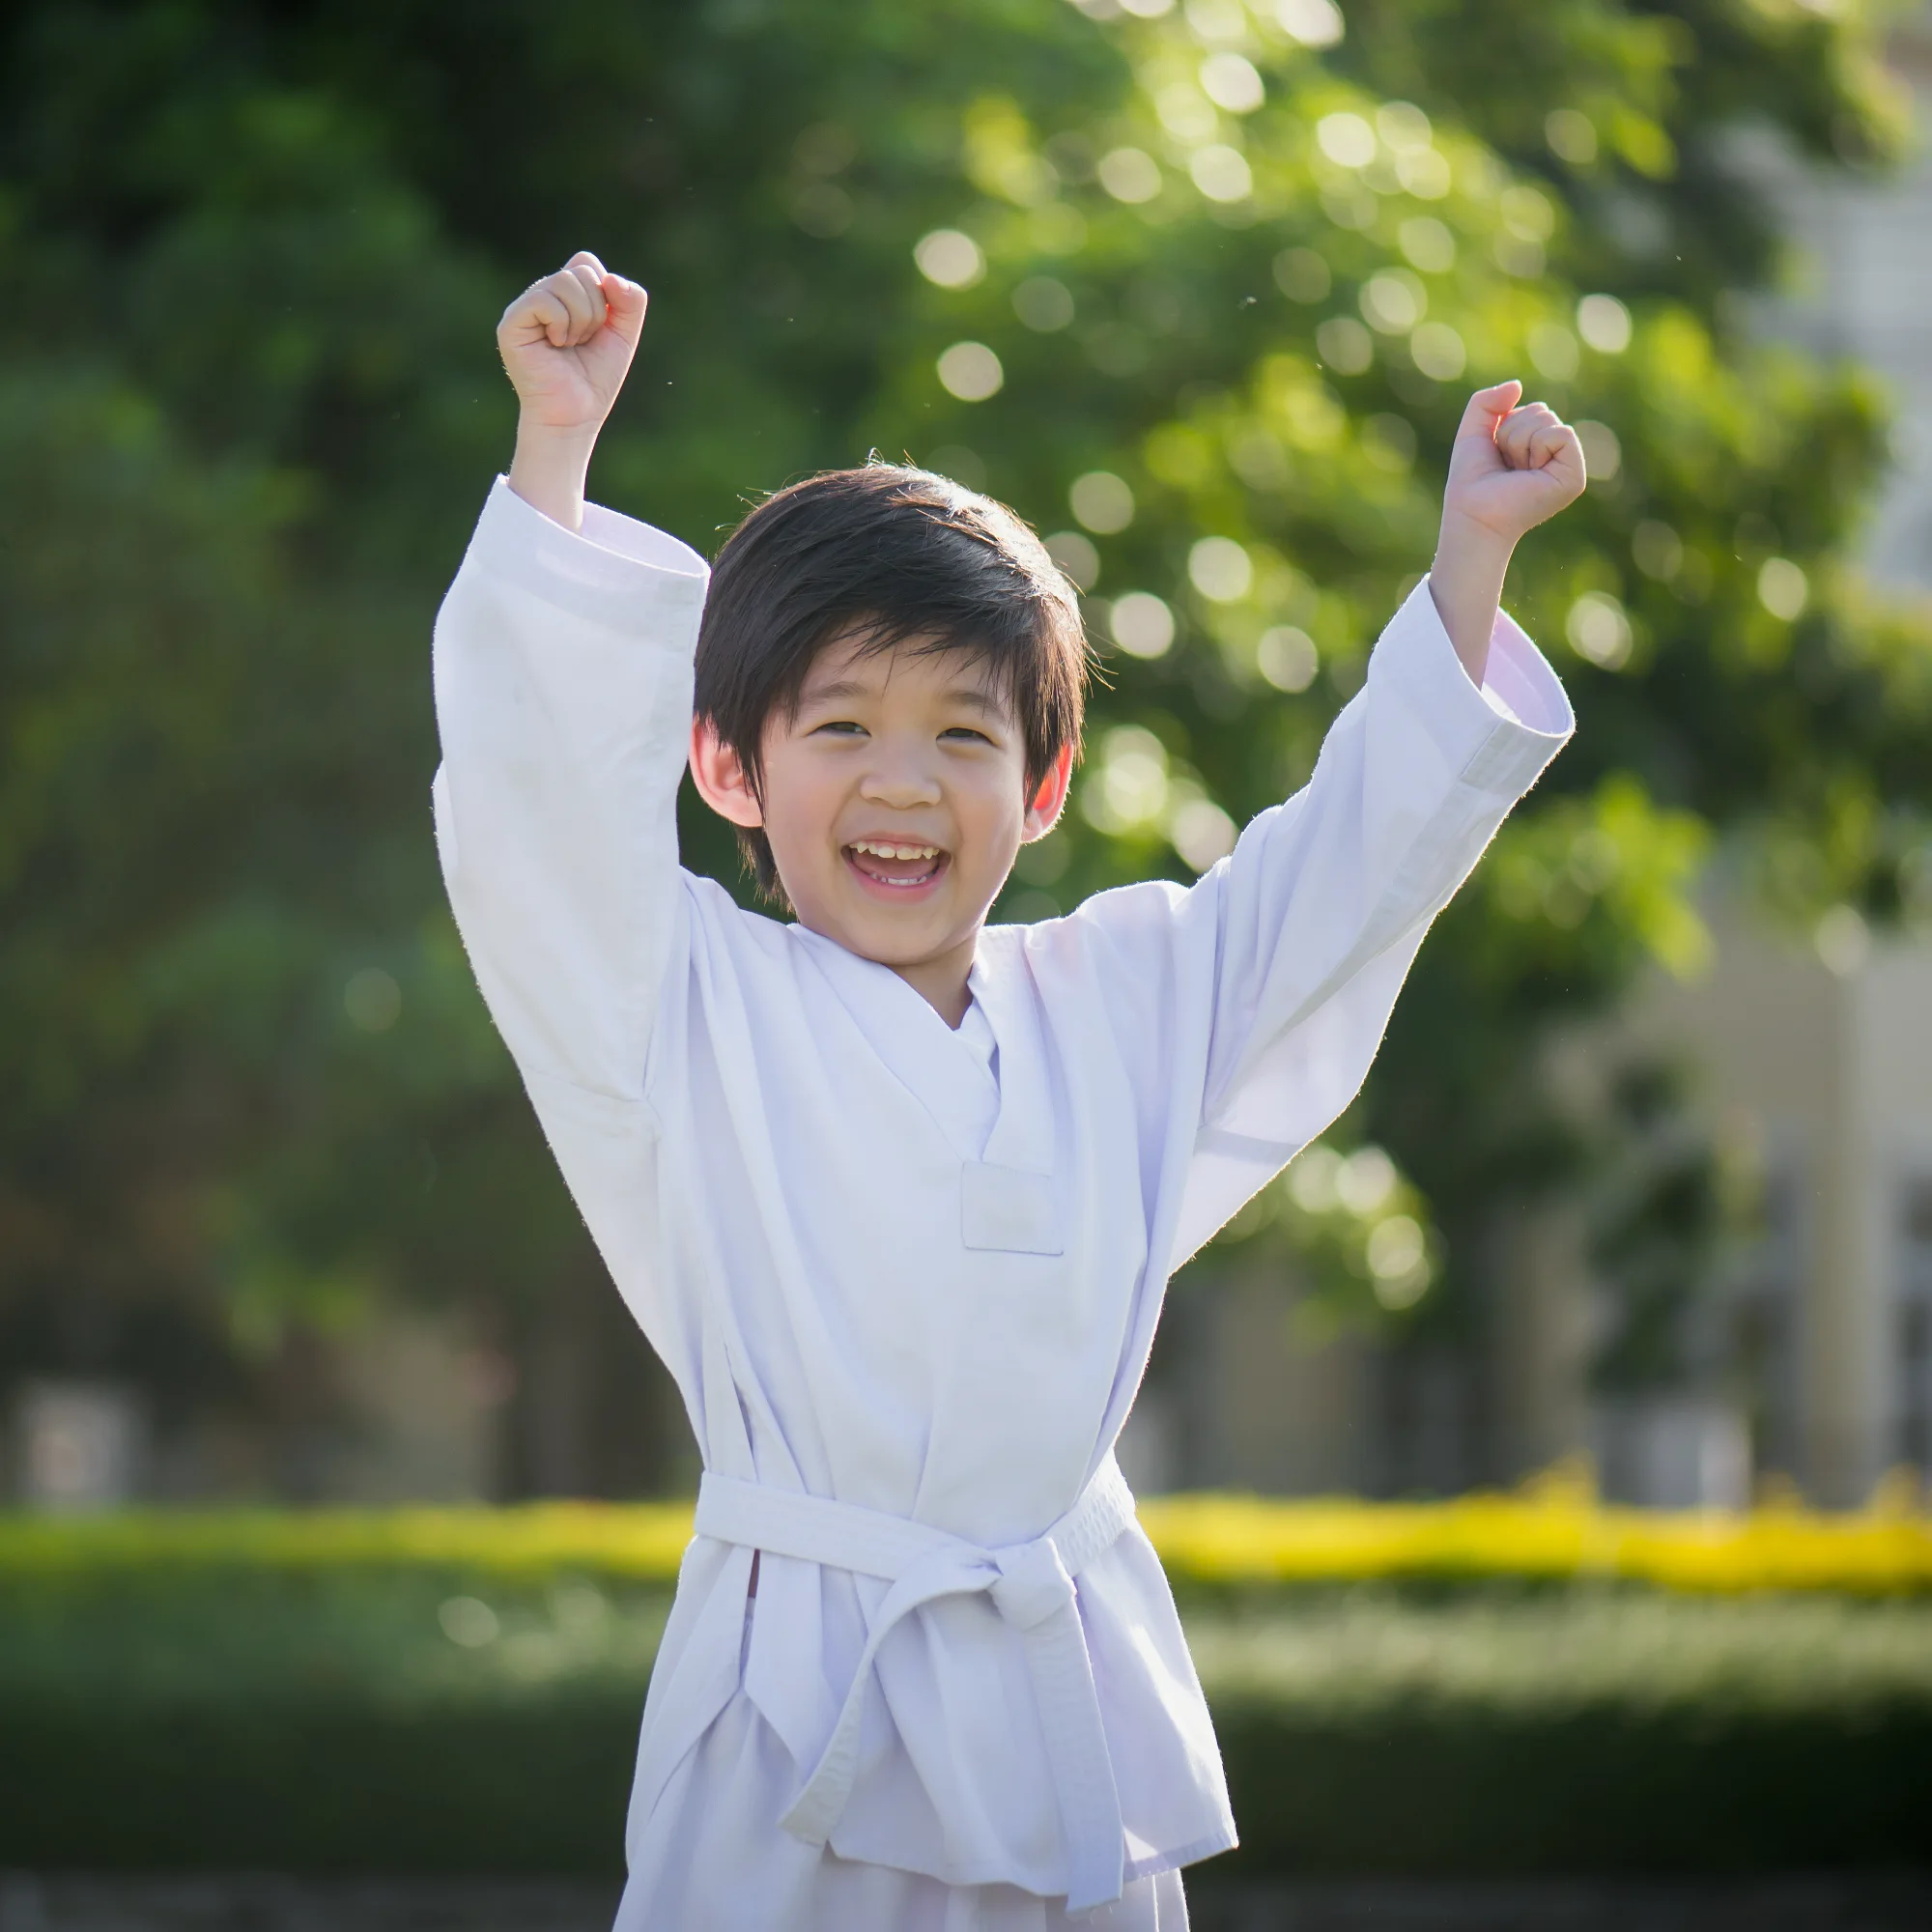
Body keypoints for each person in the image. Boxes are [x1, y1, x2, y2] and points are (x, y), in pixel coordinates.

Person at [432, 250, 1581, 1929]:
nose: (905, 784)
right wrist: (556, 450)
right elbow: (536, 811)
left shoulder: (1122, 998)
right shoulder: (677, 1008)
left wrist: (1469, 557)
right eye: (842, 726)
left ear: (1044, 785)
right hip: (790, 1737)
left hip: (1064, 1727)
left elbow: (1342, 881)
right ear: (728, 765)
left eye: (965, 735)